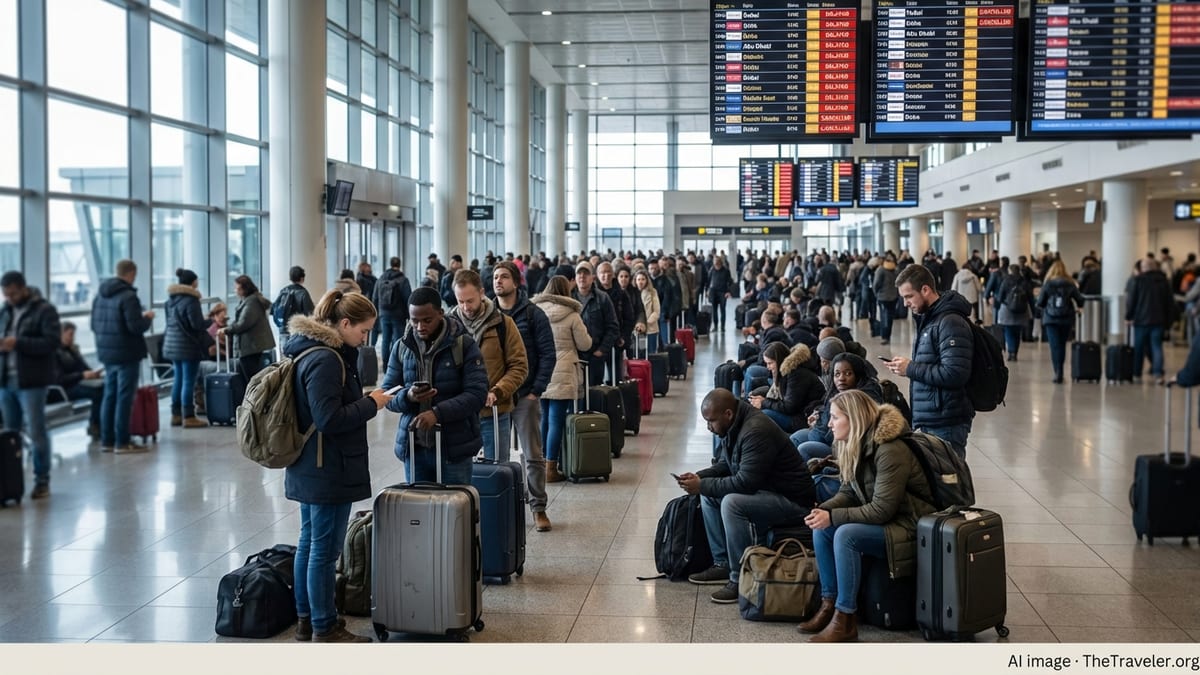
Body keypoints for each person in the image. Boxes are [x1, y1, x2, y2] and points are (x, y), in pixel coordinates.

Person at [285, 289, 391, 643]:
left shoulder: (309, 351)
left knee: (309, 543)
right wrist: (371, 404)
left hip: (310, 464)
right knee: (325, 552)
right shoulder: (327, 360)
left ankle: (306, 619)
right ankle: (324, 626)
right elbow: (329, 418)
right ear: (344, 323)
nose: (366, 339)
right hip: (327, 467)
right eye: (363, 331)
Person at [799, 389, 936, 643]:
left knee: (846, 535)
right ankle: (828, 603)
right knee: (822, 528)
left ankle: (845, 616)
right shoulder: (853, 443)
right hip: (889, 520)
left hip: (910, 524)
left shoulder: (890, 449)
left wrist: (835, 517)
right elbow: (849, 490)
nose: (829, 423)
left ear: (854, 419)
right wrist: (826, 510)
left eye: (835, 417)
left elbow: (882, 509)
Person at [678, 388, 816, 604]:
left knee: (732, 503)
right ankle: (722, 563)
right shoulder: (733, 426)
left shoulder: (755, 430)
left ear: (728, 414)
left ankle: (740, 577)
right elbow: (727, 463)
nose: (709, 427)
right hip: (768, 491)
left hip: (793, 501)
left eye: (711, 421)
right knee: (709, 495)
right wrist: (699, 477)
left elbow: (745, 483)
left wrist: (702, 484)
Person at [381, 287, 488, 485]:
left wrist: (437, 414)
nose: (420, 326)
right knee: (419, 512)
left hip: (454, 448)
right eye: (414, 320)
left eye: (427, 320)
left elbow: (477, 394)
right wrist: (408, 396)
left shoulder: (463, 345)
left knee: (456, 510)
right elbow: (387, 395)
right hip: (415, 449)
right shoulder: (402, 347)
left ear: (440, 313)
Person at [884, 263, 974, 459]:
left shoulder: (950, 322)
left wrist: (911, 368)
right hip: (933, 418)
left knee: (948, 484)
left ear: (925, 290)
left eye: (909, 296)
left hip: (946, 421)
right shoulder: (930, 319)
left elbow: (955, 373)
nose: (906, 303)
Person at [494, 261, 556, 532]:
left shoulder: (533, 314)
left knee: (532, 454)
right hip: (494, 397)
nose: (498, 282)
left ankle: (538, 507)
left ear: (516, 282)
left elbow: (547, 354)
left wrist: (536, 390)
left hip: (525, 395)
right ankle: (501, 505)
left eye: (504, 277)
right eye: (495, 277)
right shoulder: (488, 314)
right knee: (496, 456)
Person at [449, 270, 528, 467]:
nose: (466, 307)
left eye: (470, 300)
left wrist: (498, 390)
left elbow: (519, 365)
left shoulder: (503, 324)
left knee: (495, 471)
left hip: (493, 412)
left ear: (482, 293)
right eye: (460, 301)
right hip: (458, 415)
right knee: (459, 474)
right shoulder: (448, 327)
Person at [0, 271, 61, 498]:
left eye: (13, 293)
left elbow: (51, 342)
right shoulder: (5, 312)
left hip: (31, 382)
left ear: (24, 288)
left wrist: (18, 343)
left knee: (36, 431)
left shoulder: (44, 310)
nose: (10, 298)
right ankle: (11, 483)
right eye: (6, 294)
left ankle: (41, 479)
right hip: (6, 381)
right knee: (10, 434)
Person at [531, 276, 592, 483]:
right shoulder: (573, 315)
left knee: (544, 418)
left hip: (541, 371)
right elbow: (585, 344)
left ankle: (539, 465)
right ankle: (551, 468)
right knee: (557, 420)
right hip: (563, 371)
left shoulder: (536, 312)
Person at [92, 259, 155, 455]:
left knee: (109, 395)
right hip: (127, 353)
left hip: (106, 353)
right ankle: (123, 441)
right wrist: (147, 318)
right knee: (124, 397)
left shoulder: (100, 295)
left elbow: (93, 325)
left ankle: (107, 440)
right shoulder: (128, 297)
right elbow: (135, 326)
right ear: (131, 273)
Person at [793, 351, 884, 461]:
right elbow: (827, 410)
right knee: (795, 438)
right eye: (837, 374)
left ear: (858, 375)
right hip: (824, 435)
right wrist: (818, 415)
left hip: (843, 448)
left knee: (804, 449)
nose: (841, 378)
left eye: (848, 373)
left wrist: (820, 426)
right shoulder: (837, 392)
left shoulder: (863, 399)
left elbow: (845, 433)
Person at [162, 268, 207, 428]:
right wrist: (210, 321)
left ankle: (175, 415)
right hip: (187, 346)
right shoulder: (191, 300)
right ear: (193, 282)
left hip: (172, 345)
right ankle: (188, 416)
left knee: (178, 380)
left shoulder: (170, 301)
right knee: (189, 381)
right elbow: (197, 325)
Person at [748, 342, 825, 434]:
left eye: (770, 363)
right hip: (797, 413)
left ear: (779, 360)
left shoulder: (797, 375)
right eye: (766, 363)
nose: (767, 367)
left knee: (764, 414)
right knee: (755, 398)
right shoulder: (788, 372)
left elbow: (790, 407)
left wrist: (764, 402)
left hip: (803, 419)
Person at [1126, 256, 1174, 385]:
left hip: (1141, 320)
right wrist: (1169, 322)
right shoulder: (1164, 281)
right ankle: (1158, 373)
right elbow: (1169, 303)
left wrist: (1128, 316)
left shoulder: (1138, 280)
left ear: (1143, 268)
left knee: (1139, 348)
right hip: (1159, 320)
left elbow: (1132, 301)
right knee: (1157, 347)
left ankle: (1136, 374)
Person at [50, 320, 103, 438]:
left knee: (105, 387)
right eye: (70, 335)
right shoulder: (53, 353)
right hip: (63, 389)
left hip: (77, 383)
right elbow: (59, 379)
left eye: (73, 335)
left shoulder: (72, 350)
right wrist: (82, 375)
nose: (72, 338)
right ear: (61, 334)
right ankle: (95, 425)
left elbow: (83, 367)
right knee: (98, 392)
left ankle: (102, 424)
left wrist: (93, 374)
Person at [218, 275, 276, 383]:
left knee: (251, 378)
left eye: (237, 288)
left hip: (250, 346)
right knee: (251, 376)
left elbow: (244, 323)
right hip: (251, 345)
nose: (235, 291)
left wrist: (227, 330)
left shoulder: (251, 302)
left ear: (245, 288)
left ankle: (254, 399)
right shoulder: (248, 300)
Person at [1038, 259, 1087, 383]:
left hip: (1051, 319)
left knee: (1054, 346)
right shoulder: (1070, 284)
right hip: (1066, 318)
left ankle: (1057, 372)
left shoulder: (1048, 284)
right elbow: (1080, 299)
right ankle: (1060, 371)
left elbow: (1040, 302)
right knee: (1062, 345)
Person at [572, 262, 619, 387]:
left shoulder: (602, 298)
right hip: (573, 356)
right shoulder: (568, 298)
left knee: (594, 394)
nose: (582, 277)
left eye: (586, 273)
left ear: (593, 277)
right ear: (575, 277)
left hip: (595, 356)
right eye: (579, 273)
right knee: (575, 396)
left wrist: (602, 350)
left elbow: (612, 326)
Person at [374, 256, 413, 373]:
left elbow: (375, 297)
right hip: (398, 315)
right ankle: (396, 367)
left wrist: (377, 312)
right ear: (399, 265)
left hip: (383, 314)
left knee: (385, 340)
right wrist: (409, 316)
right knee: (398, 340)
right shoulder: (403, 280)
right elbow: (408, 298)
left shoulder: (381, 278)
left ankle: (386, 366)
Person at [597, 262, 633, 383]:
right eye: (602, 273)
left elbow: (629, 318)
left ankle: (615, 400)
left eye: (608, 272)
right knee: (597, 378)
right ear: (597, 275)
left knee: (616, 377)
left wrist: (624, 337)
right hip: (598, 342)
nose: (605, 275)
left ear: (613, 275)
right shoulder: (594, 294)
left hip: (617, 341)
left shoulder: (622, 294)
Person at [996, 264, 1034, 361]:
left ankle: (1011, 352)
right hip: (1022, 310)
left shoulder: (1006, 281)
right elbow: (1031, 298)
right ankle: (1015, 352)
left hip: (1007, 310)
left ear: (1010, 271)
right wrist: (1034, 311)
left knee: (1008, 331)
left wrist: (999, 305)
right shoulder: (1024, 282)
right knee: (1017, 333)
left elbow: (1000, 297)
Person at [273, 266, 315, 339]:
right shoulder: (303, 293)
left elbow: (274, 308)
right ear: (302, 278)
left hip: (283, 328)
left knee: (284, 349)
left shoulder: (283, 291)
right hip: (296, 330)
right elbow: (310, 313)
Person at [873, 253, 900, 345]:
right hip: (893, 297)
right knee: (889, 317)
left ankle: (884, 336)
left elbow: (876, 284)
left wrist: (876, 293)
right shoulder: (896, 270)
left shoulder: (881, 270)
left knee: (883, 317)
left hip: (883, 297)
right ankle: (887, 336)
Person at [634, 269, 661, 353]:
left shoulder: (653, 292)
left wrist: (646, 323)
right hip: (636, 329)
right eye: (638, 279)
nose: (641, 282)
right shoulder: (632, 293)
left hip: (651, 328)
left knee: (651, 353)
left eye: (643, 279)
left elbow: (656, 311)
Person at [708, 255, 734, 332]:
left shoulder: (726, 270)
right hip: (713, 291)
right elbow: (709, 281)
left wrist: (728, 291)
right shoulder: (711, 270)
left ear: (720, 262)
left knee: (723, 309)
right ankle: (715, 326)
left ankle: (722, 326)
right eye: (714, 261)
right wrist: (707, 290)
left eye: (717, 261)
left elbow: (730, 281)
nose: (715, 262)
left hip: (723, 292)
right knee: (714, 310)